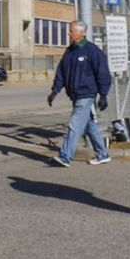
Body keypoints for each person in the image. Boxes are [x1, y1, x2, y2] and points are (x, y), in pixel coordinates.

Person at [47, 21, 112, 166]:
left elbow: (103, 73)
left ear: (81, 33)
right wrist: (55, 91)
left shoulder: (92, 51)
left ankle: (65, 156)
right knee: (89, 125)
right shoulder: (69, 51)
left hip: (86, 93)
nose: (68, 34)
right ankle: (102, 153)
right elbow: (61, 72)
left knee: (75, 124)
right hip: (75, 95)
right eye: (69, 31)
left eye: (71, 31)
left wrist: (103, 94)